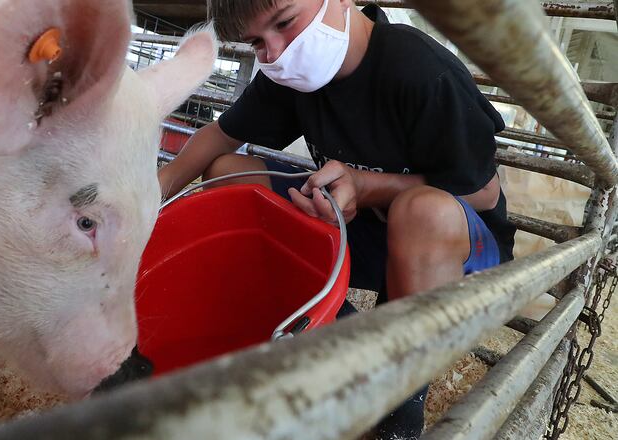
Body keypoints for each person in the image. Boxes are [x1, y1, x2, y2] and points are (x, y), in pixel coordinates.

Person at [158, 0, 516, 437]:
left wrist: (367, 186)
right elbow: (219, 135)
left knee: (422, 211)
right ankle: (337, 332)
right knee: (228, 173)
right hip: (364, 230)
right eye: (256, 42)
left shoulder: (419, 68)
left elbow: (480, 192)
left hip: (454, 251)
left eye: (284, 22)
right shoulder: (293, 75)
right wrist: (150, 194)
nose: (274, 53)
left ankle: (399, 407)